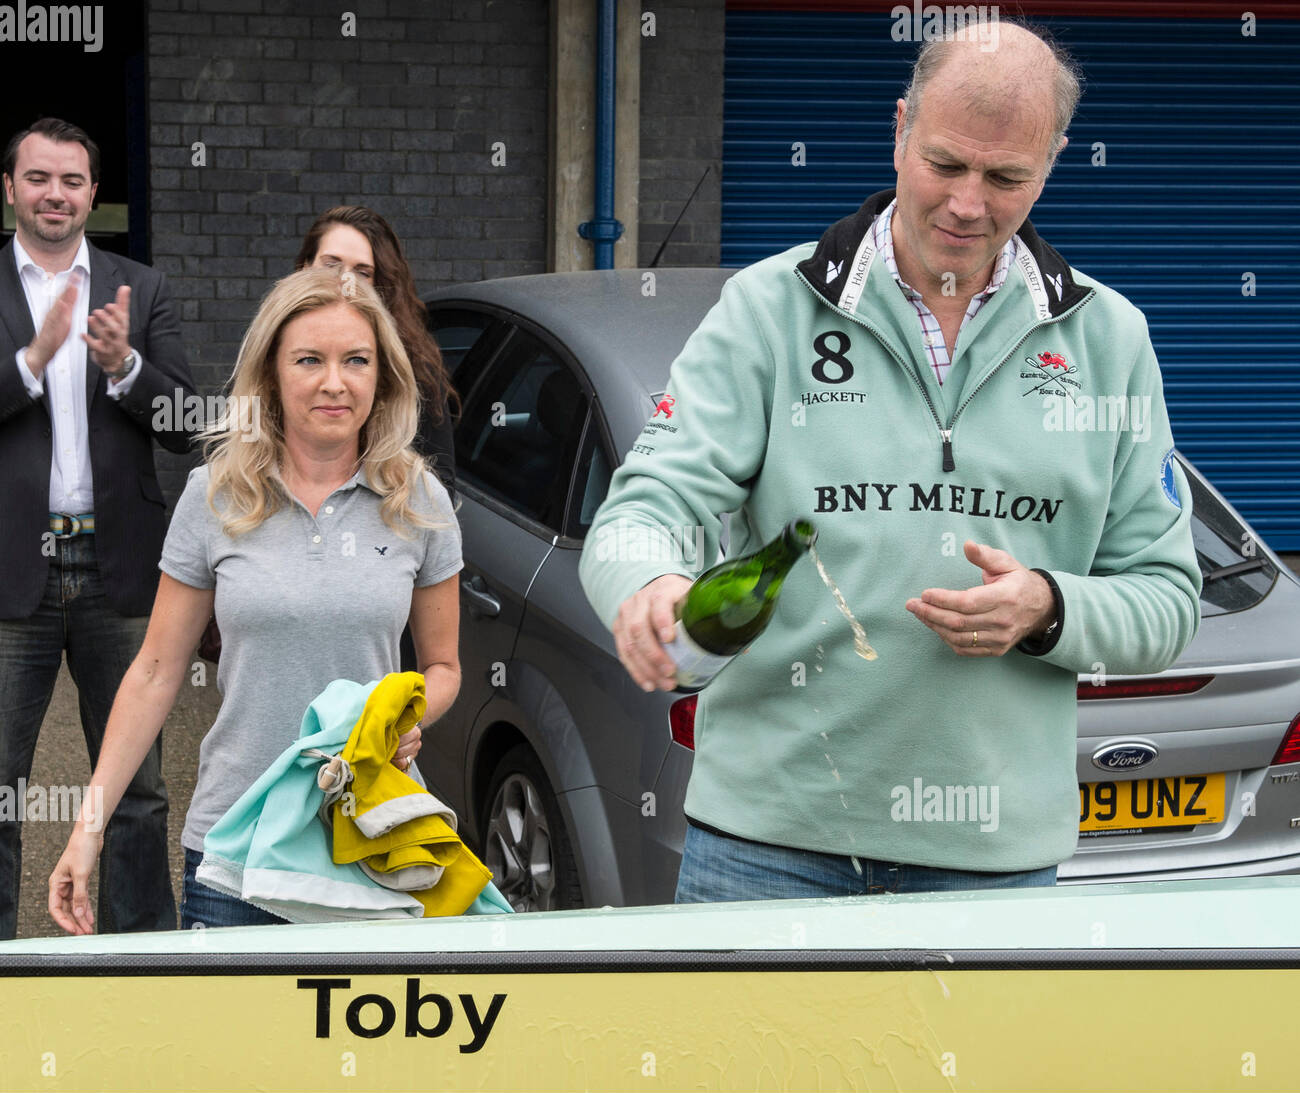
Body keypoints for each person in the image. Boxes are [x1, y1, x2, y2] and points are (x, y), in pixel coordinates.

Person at [579, 21, 1202, 902]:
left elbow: (1167, 598)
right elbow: (647, 505)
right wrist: (646, 585)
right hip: (766, 849)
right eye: (945, 164)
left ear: (1055, 161)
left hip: (992, 867)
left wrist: (1051, 607)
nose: (967, 204)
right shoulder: (768, 310)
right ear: (901, 127)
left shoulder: (1110, 341)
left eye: (1006, 177)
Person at [48, 267, 463, 932]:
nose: (335, 382)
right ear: (270, 374)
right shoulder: (215, 495)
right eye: (309, 360)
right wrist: (87, 829)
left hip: (372, 844)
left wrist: (412, 715)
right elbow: (155, 672)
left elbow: (443, 669)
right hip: (236, 849)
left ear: (382, 377)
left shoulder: (419, 500)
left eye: (356, 360)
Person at [0, 117, 196, 939]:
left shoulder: (140, 289)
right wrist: (29, 363)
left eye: (72, 180)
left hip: (119, 568)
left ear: (92, 193)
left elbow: (190, 419)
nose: (56, 193)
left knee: (137, 789)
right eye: (39, 177)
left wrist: (125, 367)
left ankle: (139, 955)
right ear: (9, 187)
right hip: (11, 571)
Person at [294, 206, 456, 491]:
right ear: (306, 266)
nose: (344, 280)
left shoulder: (413, 369)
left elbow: (439, 489)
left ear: (381, 284)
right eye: (331, 264)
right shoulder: (272, 348)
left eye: (362, 272)